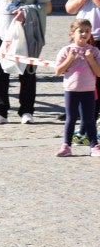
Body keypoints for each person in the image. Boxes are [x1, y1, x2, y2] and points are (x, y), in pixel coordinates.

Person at [54, 19, 100, 157]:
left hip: (88, 90)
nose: (84, 34)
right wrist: (69, 59)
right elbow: (58, 71)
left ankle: (94, 146)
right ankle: (66, 146)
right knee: (71, 118)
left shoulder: (94, 51)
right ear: (72, 33)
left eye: (87, 31)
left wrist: (91, 59)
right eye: (81, 31)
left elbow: (98, 73)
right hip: (71, 90)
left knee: (89, 119)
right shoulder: (66, 50)